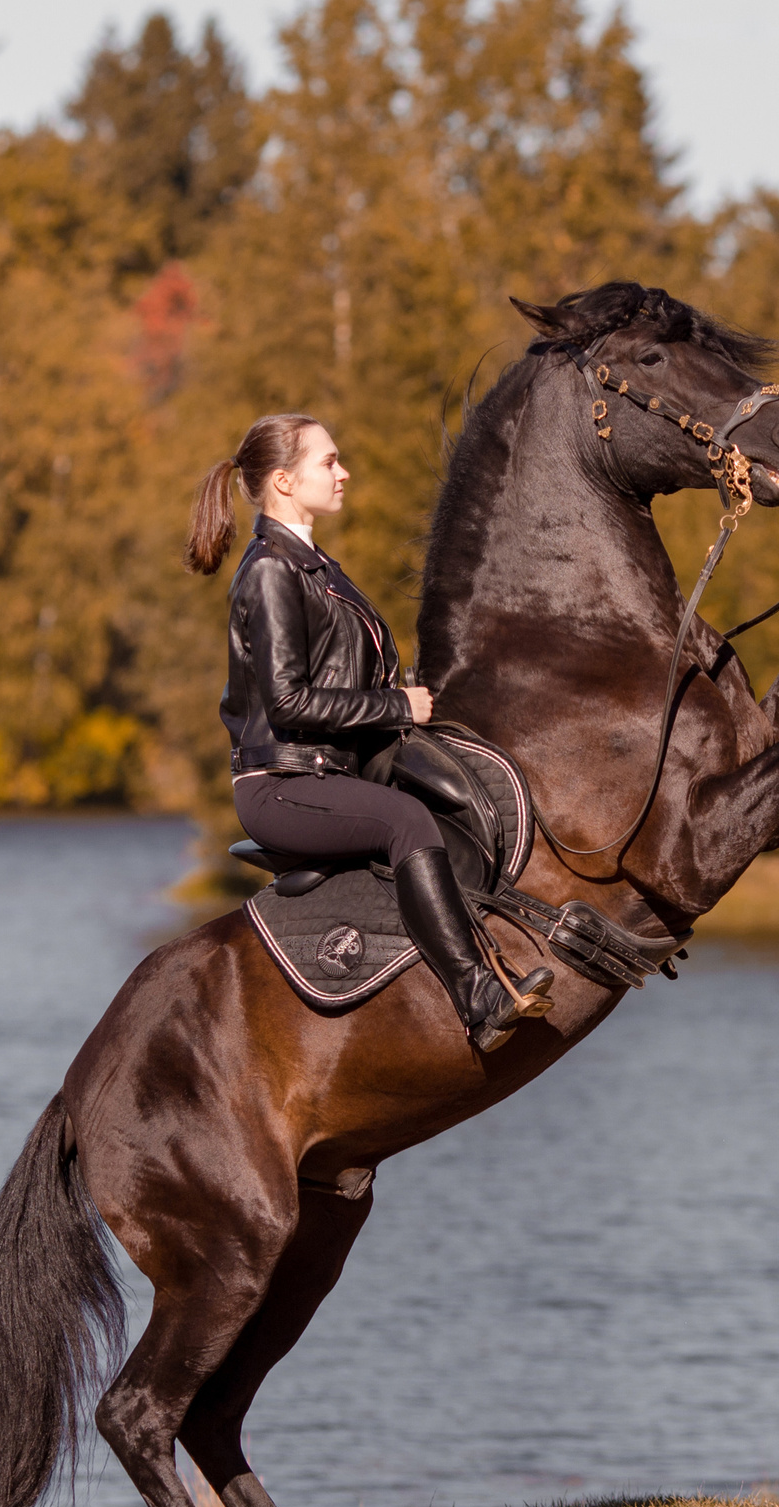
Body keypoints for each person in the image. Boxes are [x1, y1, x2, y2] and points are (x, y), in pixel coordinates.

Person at [189, 413, 553, 1052]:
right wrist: (395, 707)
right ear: (282, 480)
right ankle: (477, 998)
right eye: (328, 462)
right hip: (282, 783)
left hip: (327, 774)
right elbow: (289, 702)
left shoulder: (314, 565)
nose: (343, 472)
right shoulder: (273, 572)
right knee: (404, 821)